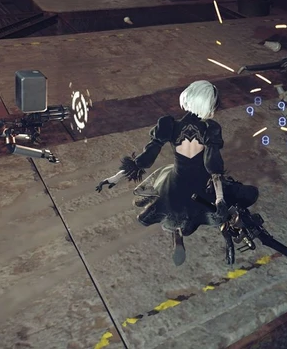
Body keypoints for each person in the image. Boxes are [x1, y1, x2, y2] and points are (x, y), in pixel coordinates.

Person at [95, 80, 259, 266]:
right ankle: (227, 234)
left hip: (175, 184)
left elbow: (145, 159)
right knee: (232, 202)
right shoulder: (210, 129)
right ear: (209, 105)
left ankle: (178, 238)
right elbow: (213, 168)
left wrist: (114, 178)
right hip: (201, 186)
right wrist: (220, 199)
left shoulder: (169, 125)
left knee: (173, 211)